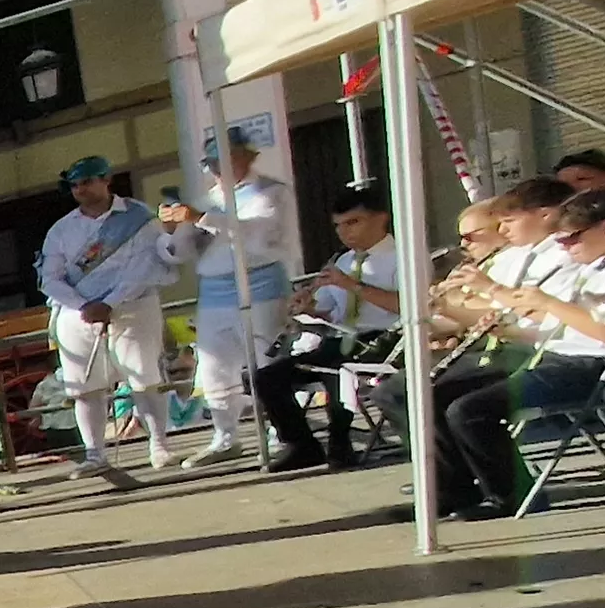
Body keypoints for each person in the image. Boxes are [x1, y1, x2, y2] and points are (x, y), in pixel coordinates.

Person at [453, 185, 605, 518]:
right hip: (554, 355)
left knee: (469, 411)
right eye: (563, 240)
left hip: (588, 365)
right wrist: (509, 326)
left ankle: (515, 496)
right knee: (447, 400)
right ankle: (458, 489)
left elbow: (601, 333)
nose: (566, 247)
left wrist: (544, 302)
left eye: (572, 238)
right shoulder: (589, 267)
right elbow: (553, 321)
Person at [37, 156, 185, 480]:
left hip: (133, 306)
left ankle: (159, 445)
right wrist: (83, 305)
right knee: (84, 387)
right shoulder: (62, 230)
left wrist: (111, 302)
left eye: (87, 182)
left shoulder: (139, 217)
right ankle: (95, 454)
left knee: (145, 378)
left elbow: (147, 266)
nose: (81, 190)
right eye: (75, 185)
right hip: (80, 315)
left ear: (106, 180)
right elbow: (50, 278)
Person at [159, 134, 291, 467]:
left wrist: (202, 218)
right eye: (213, 163)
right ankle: (225, 436)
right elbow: (178, 253)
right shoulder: (206, 199)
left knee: (267, 362)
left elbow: (257, 233)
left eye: (227, 160)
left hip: (260, 285)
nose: (219, 169)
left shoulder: (270, 191)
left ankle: (284, 433)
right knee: (215, 367)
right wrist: (171, 230)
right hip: (215, 290)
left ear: (247, 157)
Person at [259, 182, 404, 474]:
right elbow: (333, 313)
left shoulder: (402, 256)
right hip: (344, 340)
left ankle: (341, 443)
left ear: (381, 218)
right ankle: (302, 445)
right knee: (267, 377)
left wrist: (352, 284)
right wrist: (309, 309)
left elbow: (408, 305)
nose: (345, 232)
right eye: (339, 226)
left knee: (338, 371)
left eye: (354, 222)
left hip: (389, 340)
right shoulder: (342, 261)